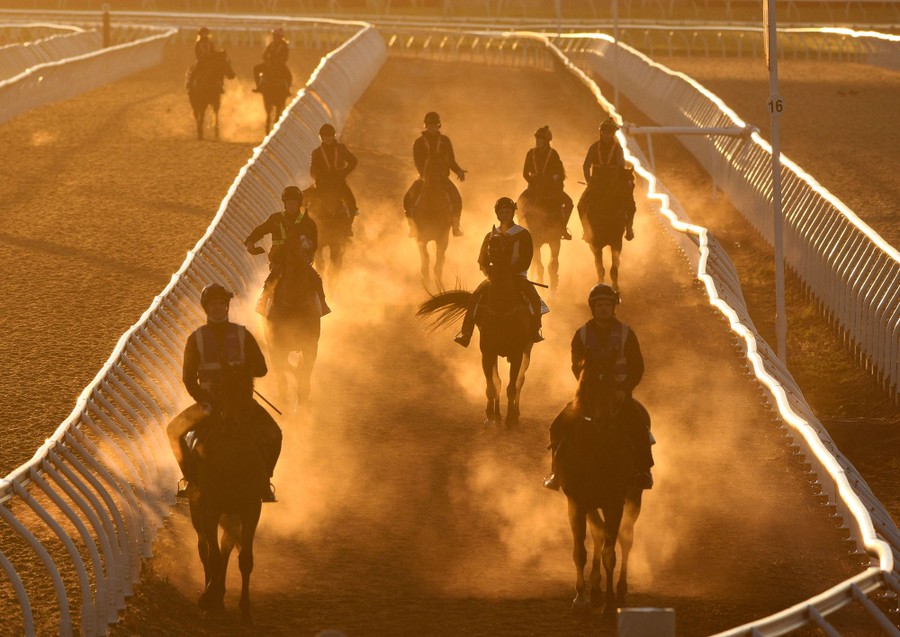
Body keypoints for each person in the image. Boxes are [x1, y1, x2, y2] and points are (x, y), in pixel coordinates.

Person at [167, 283, 282, 502]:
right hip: (208, 402)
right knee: (173, 431)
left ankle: (264, 481)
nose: (218, 308)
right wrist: (204, 399)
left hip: (241, 403)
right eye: (214, 304)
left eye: (221, 304)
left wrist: (244, 372)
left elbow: (262, 369)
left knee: (275, 434)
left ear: (226, 307)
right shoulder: (196, 339)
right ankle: (191, 479)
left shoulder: (242, 335)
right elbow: (189, 378)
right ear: (206, 308)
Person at [543, 283, 654, 491]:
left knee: (640, 427)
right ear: (592, 308)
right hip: (588, 396)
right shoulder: (581, 334)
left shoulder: (626, 334)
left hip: (619, 395)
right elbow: (576, 365)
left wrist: (623, 389)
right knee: (558, 426)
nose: (603, 308)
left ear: (613, 307)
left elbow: (637, 366)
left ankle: (643, 471)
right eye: (599, 305)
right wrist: (588, 389)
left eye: (607, 304)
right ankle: (556, 473)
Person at [454, 197, 545, 347]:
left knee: (534, 298)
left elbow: (526, 260)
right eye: (501, 212)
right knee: (475, 297)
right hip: (494, 277)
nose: (504, 214)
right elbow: (482, 260)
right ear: (497, 214)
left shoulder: (523, 234)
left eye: (507, 211)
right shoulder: (490, 235)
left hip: (517, 277)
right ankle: (466, 333)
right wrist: (489, 272)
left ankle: (535, 329)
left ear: (512, 213)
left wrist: (510, 272)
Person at [244, 185, 330, 317]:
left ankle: (323, 305)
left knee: (316, 279)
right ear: (284, 204)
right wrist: (250, 242)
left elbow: (314, 244)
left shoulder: (308, 223)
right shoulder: (275, 219)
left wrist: (307, 253)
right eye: (288, 202)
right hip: (279, 262)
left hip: (301, 262)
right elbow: (260, 230)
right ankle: (262, 302)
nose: (291, 205)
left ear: (298, 203)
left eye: (294, 202)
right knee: (272, 279)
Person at [406, 111, 467, 237]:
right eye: (429, 125)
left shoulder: (445, 141)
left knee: (456, 199)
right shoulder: (419, 142)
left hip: (442, 178)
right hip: (424, 178)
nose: (432, 127)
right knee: (407, 199)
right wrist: (424, 176)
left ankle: (456, 227)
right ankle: (412, 228)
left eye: (434, 124)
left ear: (438, 125)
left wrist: (459, 171)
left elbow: (451, 160)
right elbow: (418, 162)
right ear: (426, 126)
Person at [578, 117, 636, 242]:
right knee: (581, 205)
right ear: (601, 132)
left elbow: (620, 168)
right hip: (596, 185)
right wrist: (589, 181)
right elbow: (586, 165)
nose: (606, 135)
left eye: (608, 132)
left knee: (630, 205)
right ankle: (587, 232)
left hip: (613, 185)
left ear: (613, 134)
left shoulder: (618, 150)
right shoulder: (593, 148)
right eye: (604, 132)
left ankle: (629, 229)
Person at [521, 125, 574, 240]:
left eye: (540, 139)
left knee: (569, 203)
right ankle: (523, 231)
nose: (538, 141)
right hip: (533, 188)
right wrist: (533, 183)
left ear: (546, 141)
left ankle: (562, 228)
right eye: (537, 139)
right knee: (518, 205)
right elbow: (525, 173)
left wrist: (554, 182)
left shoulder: (553, 154)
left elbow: (561, 174)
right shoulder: (530, 154)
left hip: (550, 188)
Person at [310, 123, 359, 236]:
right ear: (321, 137)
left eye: (330, 136)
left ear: (334, 136)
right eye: (325, 136)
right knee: (310, 204)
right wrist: (318, 177)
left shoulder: (341, 149)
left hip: (339, 183)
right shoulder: (317, 153)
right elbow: (312, 170)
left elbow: (353, 161)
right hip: (323, 185)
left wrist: (345, 172)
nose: (328, 138)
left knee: (352, 203)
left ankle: (348, 227)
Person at [253, 27, 292, 93]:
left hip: (279, 66)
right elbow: (264, 54)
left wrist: (276, 61)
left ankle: (287, 90)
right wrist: (267, 59)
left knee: (289, 76)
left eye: (275, 36)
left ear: (280, 37)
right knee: (256, 69)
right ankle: (258, 87)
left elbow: (285, 57)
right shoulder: (272, 44)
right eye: (274, 36)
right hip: (270, 64)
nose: (274, 37)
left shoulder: (284, 46)